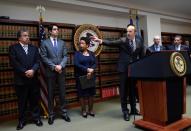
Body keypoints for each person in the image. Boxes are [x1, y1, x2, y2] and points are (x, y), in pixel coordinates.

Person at [92, 24, 145, 121]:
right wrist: (101, 41)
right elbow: (111, 43)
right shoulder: (123, 40)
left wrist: (141, 67)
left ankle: (133, 109)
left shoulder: (139, 41)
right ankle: (125, 111)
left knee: (133, 91)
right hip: (123, 69)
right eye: (127, 31)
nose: (128, 33)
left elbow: (141, 55)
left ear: (135, 32)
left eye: (130, 31)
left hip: (133, 70)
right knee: (124, 91)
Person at [9, 29, 43, 130]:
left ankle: (36, 118)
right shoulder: (13, 48)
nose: (28, 37)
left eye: (28, 35)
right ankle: (22, 121)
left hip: (33, 80)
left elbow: (38, 61)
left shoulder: (34, 48)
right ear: (19, 38)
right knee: (22, 102)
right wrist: (25, 72)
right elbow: (14, 63)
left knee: (34, 101)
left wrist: (32, 70)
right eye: (25, 35)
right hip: (21, 80)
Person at [40, 25, 70, 125]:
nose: (56, 31)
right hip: (50, 72)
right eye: (54, 29)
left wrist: (61, 66)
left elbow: (65, 56)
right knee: (51, 94)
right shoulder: (44, 43)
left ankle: (64, 113)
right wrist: (54, 66)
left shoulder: (62, 42)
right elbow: (44, 57)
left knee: (62, 93)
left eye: (57, 29)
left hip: (61, 71)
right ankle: (51, 115)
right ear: (49, 32)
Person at [74, 37, 96, 118]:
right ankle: (83, 110)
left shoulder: (92, 53)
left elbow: (94, 63)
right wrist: (87, 69)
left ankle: (90, 110)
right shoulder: (77, 53)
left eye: (82, 43)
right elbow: (77, 64)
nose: (81, 45)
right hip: (81, 77)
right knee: (82, 94)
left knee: (91, 94)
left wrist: (91, 70)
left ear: (87, 45)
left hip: (91, 76)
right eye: (80, 43)